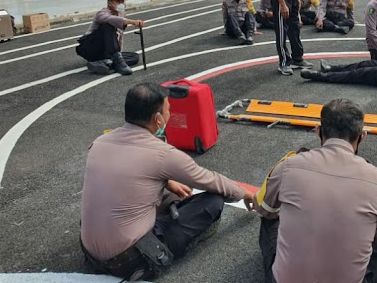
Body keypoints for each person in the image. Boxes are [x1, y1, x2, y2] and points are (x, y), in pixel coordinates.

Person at [80, 83, 254, 281]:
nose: (170, 114)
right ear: (158, 118)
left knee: (168, 195)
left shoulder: (99, 143)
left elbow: (127, 175)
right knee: (213, 201)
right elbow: (210, 180)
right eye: (168, 109)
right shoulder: (162, 154)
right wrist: (245, 193)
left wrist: (167, 181)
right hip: (130, 259)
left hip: (89, 249)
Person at [254, 98, 377, 283]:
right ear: (362, 136)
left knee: (269, 220)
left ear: (318, 131)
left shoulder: (289, 165)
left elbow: (264, 208)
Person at [76, 0, 144, 76]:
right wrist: (132, 21)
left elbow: (120, 35)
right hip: (90, 47)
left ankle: (107, 63)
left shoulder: (121, 14)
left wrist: (119, 53)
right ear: (110, 3)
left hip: (107, 51)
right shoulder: (101, 14)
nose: (121, 4)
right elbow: (110, 19)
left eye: (122, 2)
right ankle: (115, 63)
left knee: (134, 57)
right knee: (108, 24)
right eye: (118, 2)